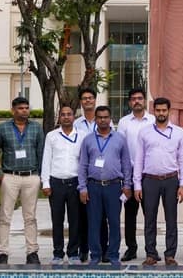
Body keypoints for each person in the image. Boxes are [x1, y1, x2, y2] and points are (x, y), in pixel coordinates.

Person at [133, 97, 183, 266]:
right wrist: (137, 185)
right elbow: (139, 159)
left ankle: (170, 254)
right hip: (149, 180)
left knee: (171, 219)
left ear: (169, 111)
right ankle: (151, 253)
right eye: (158, 110)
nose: (161, 113)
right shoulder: (144, 132)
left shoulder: (179, 132)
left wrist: (182, 184)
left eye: (164, 110)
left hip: (171, 179)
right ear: (154, 110)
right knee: (149, 219)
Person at [78, 105, 132, 266]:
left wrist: (127, 185)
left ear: (110, 119)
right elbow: (82, 165)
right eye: (99, 117)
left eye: (105, 117)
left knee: (114, 222)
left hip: (114, 186)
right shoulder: (88, 140)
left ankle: (113, 254)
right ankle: (95, 255)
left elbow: (126, 164)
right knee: (94, 222)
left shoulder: (120, 139)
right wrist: (82, 187)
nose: (103, 120)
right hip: (93, 186)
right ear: (95, 119)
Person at [0, 96, 45, 265]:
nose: (25, 111)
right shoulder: (3, 129)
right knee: (5, 216)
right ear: (13, 110)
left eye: (26, 108)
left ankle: (32, 252)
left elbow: (41, 153)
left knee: (30, 217)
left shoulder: (36, 128)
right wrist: (0, 174)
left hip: (31, 177)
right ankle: (2, 252)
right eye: (21, 108)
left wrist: (40, 176)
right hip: (10, 176)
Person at [41, 105, 85, 265]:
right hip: (56, 182)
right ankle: (58, 253)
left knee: (75, 220)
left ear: (74, 117)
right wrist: (45, 182)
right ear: (59, 117)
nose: (66, 117)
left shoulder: (82, 135)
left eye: (69, 114)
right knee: (57, 219)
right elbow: (46, 159)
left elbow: (84, 162)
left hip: (75, 183)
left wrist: (83, 185)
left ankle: (73, 253)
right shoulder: (52, 136)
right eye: (63, 114)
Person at [116, 88, 155, 262]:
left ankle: (151, 249)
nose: (137, 101)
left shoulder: (153, 120)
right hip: (129, 174)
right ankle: (131, 249)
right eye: (133, 99)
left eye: (140, 98)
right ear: (129, 102)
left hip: (149, 173)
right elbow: (120, 149)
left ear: (145, 100)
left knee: (150, 214)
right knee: (130, 215)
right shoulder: (124, 123)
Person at [72, 87, 108, 262]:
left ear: (95, 100)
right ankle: (84, 249)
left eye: (90, 98)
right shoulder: (76, 124)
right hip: (82, 171)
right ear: (81, 101)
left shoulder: (103, 121)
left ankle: (104, 249)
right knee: (83, 215)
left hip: (99, 173)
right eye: (84, 98)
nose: (88, 101)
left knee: (101, 216)